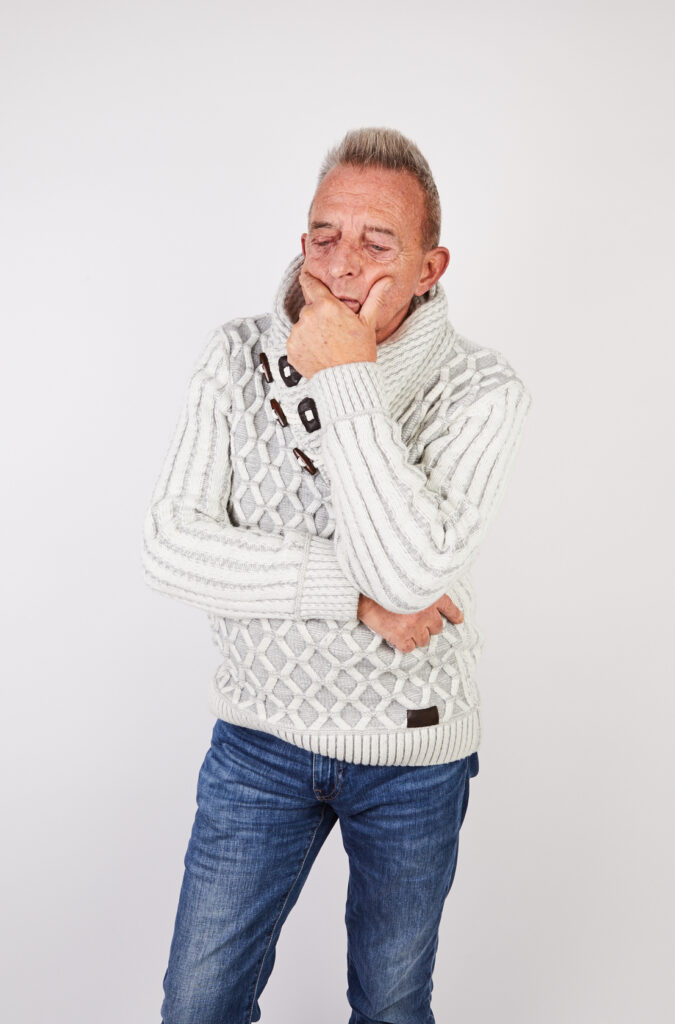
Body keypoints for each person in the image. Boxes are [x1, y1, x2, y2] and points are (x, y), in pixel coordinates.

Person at [141, 126, 532, 1024]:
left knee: (391, 1007)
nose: (342, 262)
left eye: (375, 242)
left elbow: (412, 570)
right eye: (324, 235)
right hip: (257, 741)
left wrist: (344, 375)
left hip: (411, 755)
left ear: (431, 267)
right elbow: (170, 545)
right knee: (197, 1004)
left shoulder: (480, 390)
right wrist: (353, 599)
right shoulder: (234, 355)